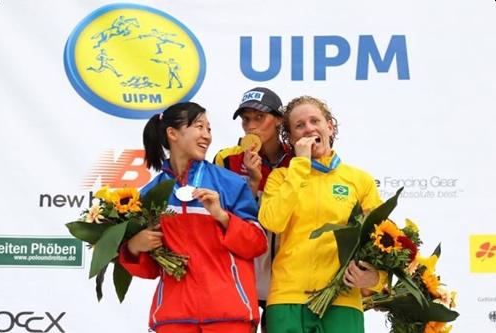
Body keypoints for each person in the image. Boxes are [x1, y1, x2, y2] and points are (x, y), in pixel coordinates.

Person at [119, 102, 268, 333]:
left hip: (228, 314)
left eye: (209, 129)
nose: (207, 135)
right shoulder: (150, 194)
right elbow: (150, 270)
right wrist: (134, 247)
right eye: (199, 126)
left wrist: (221, 216)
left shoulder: (230, 183)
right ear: (172, 133)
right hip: (173, 317)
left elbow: (257, 243)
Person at [258, 96, 387, 333]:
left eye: (314, 120)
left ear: (330, 126)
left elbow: (383, 242)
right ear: (291, 138)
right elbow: (272, 222)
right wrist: (300, 166)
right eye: (299, 125)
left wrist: (376, 279)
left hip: (343, 301)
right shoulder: (281, 178)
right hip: (287, 299)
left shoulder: (360, 181)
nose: (308, 128)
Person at [213, 87, 292, 333]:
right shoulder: (227, 159)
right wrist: (251, 183)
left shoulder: (298, 160)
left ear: (279, 120)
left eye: (260, 118)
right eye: (246, 119)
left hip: (284, 271)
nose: (251, 126)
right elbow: (224, 215)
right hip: (242, 266)